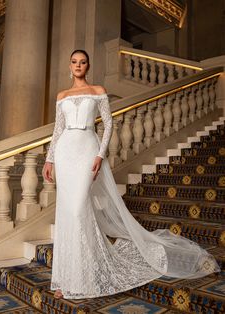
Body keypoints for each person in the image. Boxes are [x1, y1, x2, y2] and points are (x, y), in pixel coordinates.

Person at [43, 49, 220, 300]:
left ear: (88, 66)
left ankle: (87, 274)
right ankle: (65, 279)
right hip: (65, 152)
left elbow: (108, 125)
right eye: (74, 62)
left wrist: (99, 155)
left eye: (82, 62)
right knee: (67, 214)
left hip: (87, 150)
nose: (78, 65)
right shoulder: (62, 96)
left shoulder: (98, 91)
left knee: (79, 210)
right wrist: (49, 159)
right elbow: (57, 130)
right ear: (69, 66)